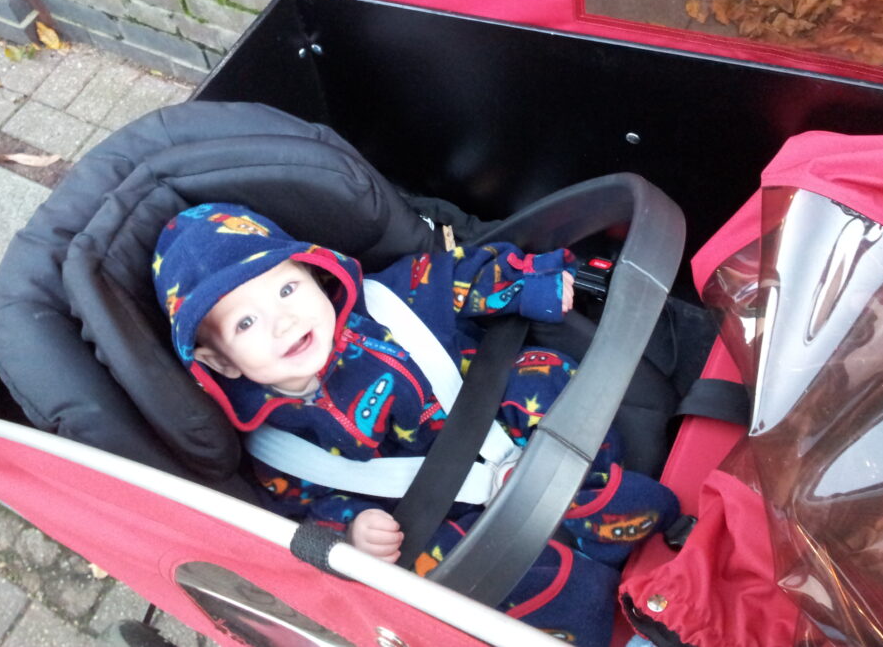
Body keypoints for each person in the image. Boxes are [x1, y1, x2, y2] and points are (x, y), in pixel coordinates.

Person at [153, 202, 678, 645]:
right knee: (429, 570)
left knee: (543, 379)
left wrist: (527, 286)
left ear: (317, 274)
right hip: (434, 508)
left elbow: (462, 275)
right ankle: (585, 611)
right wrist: (350, 533)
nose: (283, 321)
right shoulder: (275, 442)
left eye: (287, 290)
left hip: (497, 413)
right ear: (221, 361)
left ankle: (623, 525)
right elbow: (301, 509)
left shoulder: (389, 300)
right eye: (246, 323)